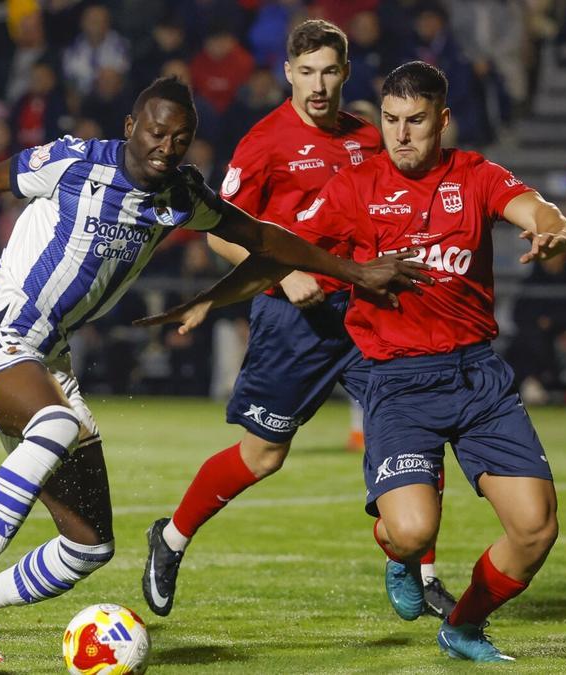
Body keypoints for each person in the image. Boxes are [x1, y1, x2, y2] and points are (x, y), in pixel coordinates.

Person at [0, 76, 430, 664]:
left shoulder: (181, 196)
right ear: (130, 127)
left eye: (180, 139)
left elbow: (266, 240)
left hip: (47, 360)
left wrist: (353, 272)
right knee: (57, 427)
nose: (165, 148)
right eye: (156, 133)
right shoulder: (73, 161)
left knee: (88, 547)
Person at [143, 61, 566, 662]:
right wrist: (212, 299)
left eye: (415, 121)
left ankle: (462, 624)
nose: (400, 134)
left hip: (474, 376)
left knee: (536, 528)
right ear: (291, 72)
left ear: (441, 121)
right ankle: (183, 536)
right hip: (363, 356)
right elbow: (276, 245)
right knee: (290, 466)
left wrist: (553, 229)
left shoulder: (471, 173)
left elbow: (535, 207)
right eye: (392, 120)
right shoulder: (333, 174)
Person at [141, 19, 456, 622]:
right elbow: (219, 237)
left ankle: (420, 565)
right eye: (306, 72)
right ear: (288, 72)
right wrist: (284, 274)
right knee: (264, 455)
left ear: (345, 74)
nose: (318, 85)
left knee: (414, 428)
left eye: (329, 72)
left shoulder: (369, 137)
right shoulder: (264, 143)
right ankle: (172, 536)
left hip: (367, 313)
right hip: (295, 319)